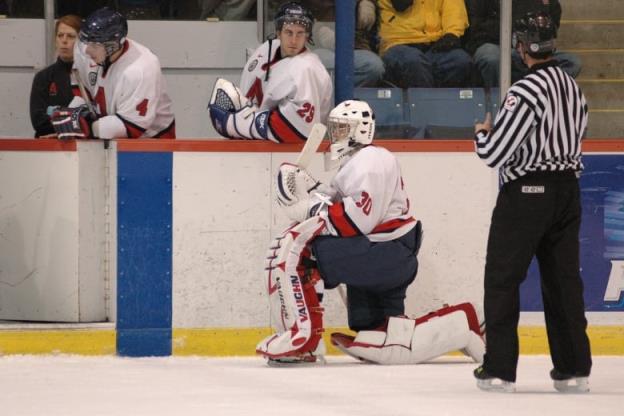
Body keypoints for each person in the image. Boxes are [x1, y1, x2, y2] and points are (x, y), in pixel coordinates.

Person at [256, 99, 485, 366]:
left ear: (361, 130)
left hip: (385, 253)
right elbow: (338, 204)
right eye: (335, 128)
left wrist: (306, 208)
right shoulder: (359, 162)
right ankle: (463, 323)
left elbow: (356, 221)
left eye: (342, 129)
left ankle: (303, 340)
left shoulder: (371, 159)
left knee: (300, 250)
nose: (335, 135)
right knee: (379, 332)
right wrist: (306, 188)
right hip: (387, 253)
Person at [473, 12, 592, 393]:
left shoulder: (525, 91)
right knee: (564, 283)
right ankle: (574, 370)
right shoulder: (573, 88)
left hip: (527, 193)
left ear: (522, 47)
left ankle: (499, 370)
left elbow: (496, 153)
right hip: (567, 193)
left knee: (502, 280)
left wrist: (481, 134)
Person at [208, 1, 332, 142]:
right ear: (279, 33)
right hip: (264, 143)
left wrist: (234, 124)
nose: (294, 40)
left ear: (307, 36)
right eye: (288, 32)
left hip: (295, 153)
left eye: (300, 33)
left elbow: (295, 130)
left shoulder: (307, 69)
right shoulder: (267, 49)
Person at [51, 7, 176, 140]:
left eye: (94, 45)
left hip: (151, 140)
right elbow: (84, 92)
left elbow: (132, 126)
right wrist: (72, 118)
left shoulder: (141, 69)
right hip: (106, 135)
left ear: (112, 46)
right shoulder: (88, 54)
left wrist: (85, 127)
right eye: (85, 43)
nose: (87, 51)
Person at [464, 0, 582, 87]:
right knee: (491, 57)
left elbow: (551, 27)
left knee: (572, 62)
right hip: (496, 47)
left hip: (531, 51)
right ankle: (500, 104)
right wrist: (514, 28)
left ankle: (534, 92)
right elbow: (475, 30)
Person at [378, 0, 472, 88]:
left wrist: (452, 33)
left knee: (460, 61)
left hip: (435, 45)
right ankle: (425, 103)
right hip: (398, 43)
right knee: (414, 63)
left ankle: (444, 103)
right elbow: (401, 4)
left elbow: (454, 10)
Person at [309, 0, 386, 87]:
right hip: (320, 48)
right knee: (317, 63)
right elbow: (299, 15)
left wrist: (369, 2)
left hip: (355, 48)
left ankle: (343, 94)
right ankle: (329, 93)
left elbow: (372, 31)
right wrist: (317, 30)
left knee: (374, 66)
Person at [29, 15, 82, 138]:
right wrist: (73, 122)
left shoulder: (91, 76)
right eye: (60, 35)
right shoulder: (43, 77)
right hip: (49, 146)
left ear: (82, 41)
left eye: (70, 36)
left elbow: (94, 117)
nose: (64, 40)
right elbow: (39, 122)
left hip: (84, 146)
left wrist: (56, 116)